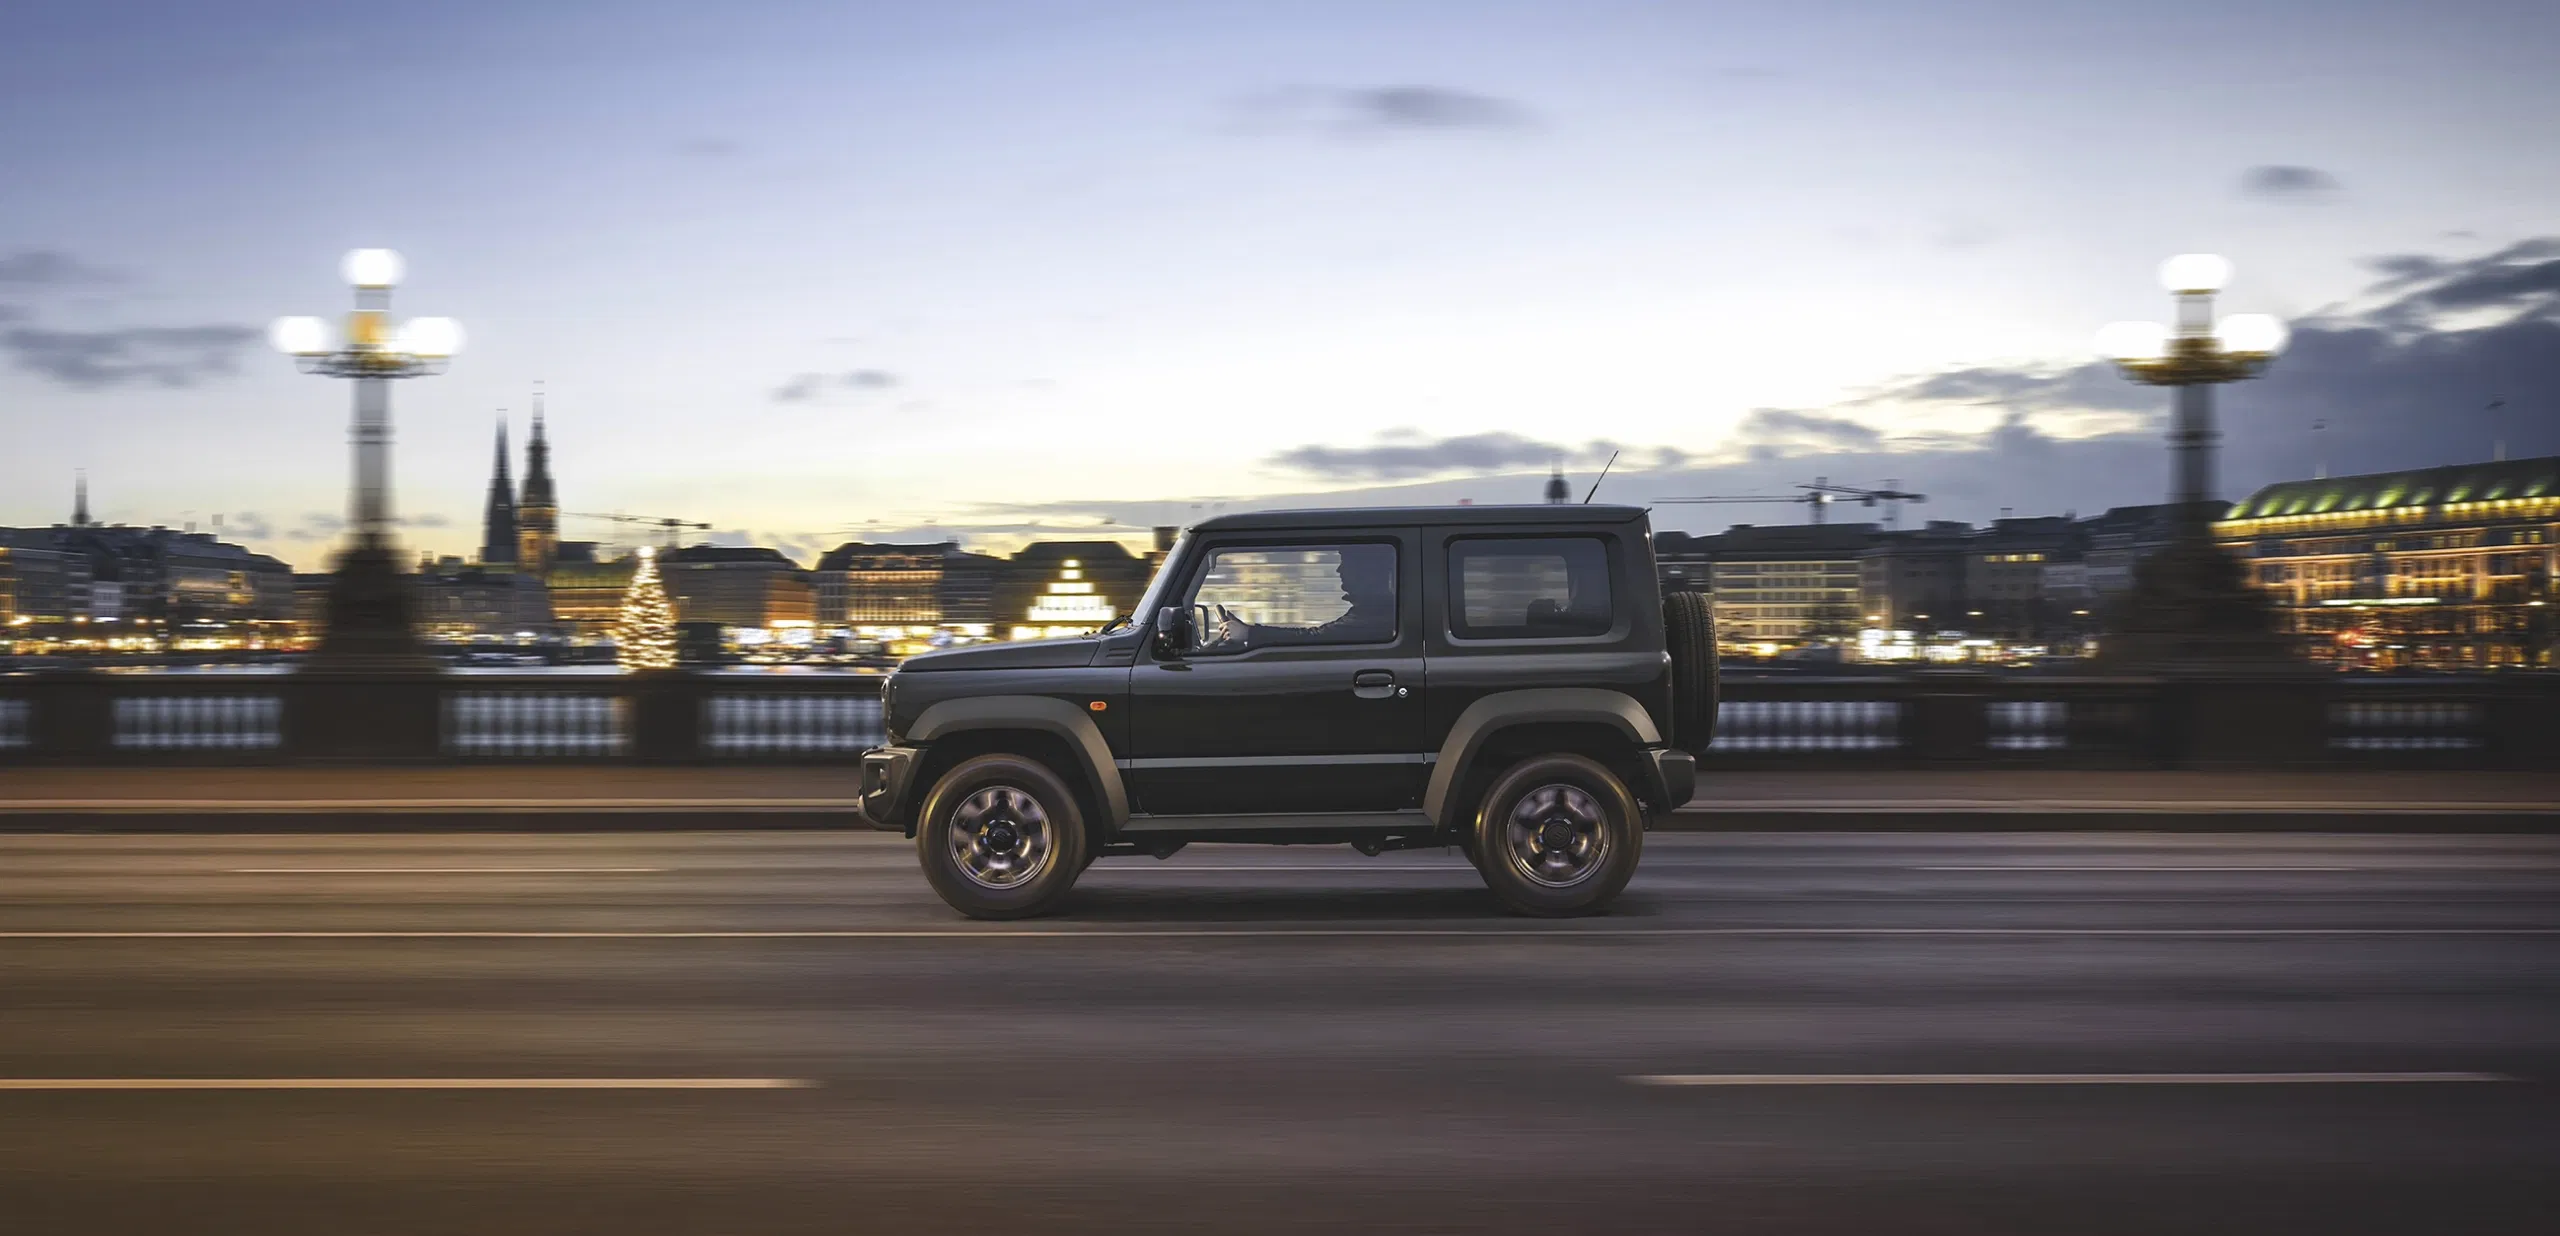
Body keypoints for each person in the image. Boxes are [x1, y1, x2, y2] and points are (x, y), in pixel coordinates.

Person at [1202, 545, 1395, 651]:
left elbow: (1318, 637)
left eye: (1346, 563)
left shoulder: (1376, 613)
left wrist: (1249, 634)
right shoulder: (1376, 610)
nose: (1339, 569)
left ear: (1367, 571)